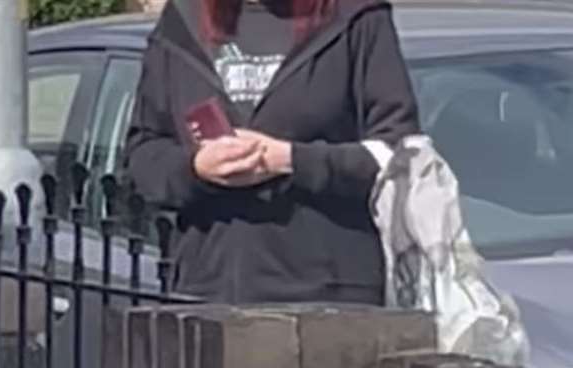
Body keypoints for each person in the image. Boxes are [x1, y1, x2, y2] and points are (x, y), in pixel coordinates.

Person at [125, 0, 420, 305]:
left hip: (329, 301)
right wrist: (196, 168)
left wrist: (289, 160)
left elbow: (399, 153)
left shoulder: (356, 17)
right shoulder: (184, 22)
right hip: (208, 295)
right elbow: (143, 155)